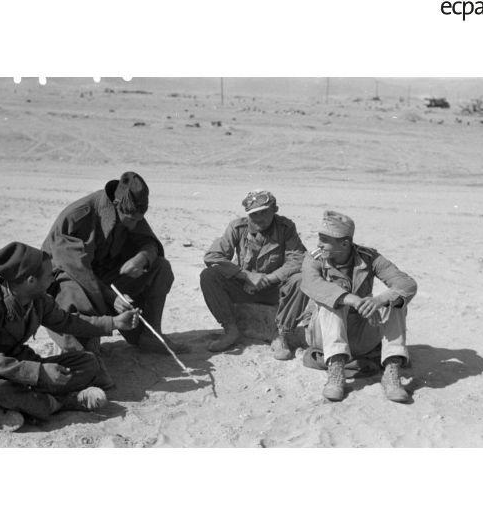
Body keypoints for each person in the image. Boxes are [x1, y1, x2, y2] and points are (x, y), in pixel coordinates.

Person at [0, 242, 140, 431]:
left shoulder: (39, 300)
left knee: (88, 363)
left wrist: (115, 323)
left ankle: (19, 405)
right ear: (30, 280)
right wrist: (39, 372)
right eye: (48, 276)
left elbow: (69, 322)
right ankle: (61, 402)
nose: (52, 280)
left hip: (19, 363)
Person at [42, 172, 186, 355]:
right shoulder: (77, 217)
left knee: (160, 268)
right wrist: (113, 298)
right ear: (116, 206)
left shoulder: (129, 207)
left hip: (105, 280)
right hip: (70, 282)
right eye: (131, 220)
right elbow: (79, 272)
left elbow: (149, 244)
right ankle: (78, 349)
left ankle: (150, 336)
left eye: (138, 220)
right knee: (75, 295)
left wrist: (142, 257)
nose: (134, 225)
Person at [300, 211, 418, 403]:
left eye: (324, 239)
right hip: (323, 333)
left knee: (396, 302)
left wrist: (378, 301)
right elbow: (312, 284)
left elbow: (407, 284)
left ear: (345, 243)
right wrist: (353, 300)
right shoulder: (314, 258)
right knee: (332, 301)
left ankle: (391, 370)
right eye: (319, 238)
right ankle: (336, 370)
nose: (318, 244)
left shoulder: (369, 257)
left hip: (361, 331)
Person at [200, 190, 309, 359]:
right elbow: (212, 256)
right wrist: (245, 276)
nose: (259, 218)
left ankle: (281, 334)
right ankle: (230, 330)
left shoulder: (285, 228)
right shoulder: (237, 227)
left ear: (275, 210)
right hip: (244, 287)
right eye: (254, 214)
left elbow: (298, 259)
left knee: (300, 280)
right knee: (209, 275)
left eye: (264, 212)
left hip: (274, 288)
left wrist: (268, 279)